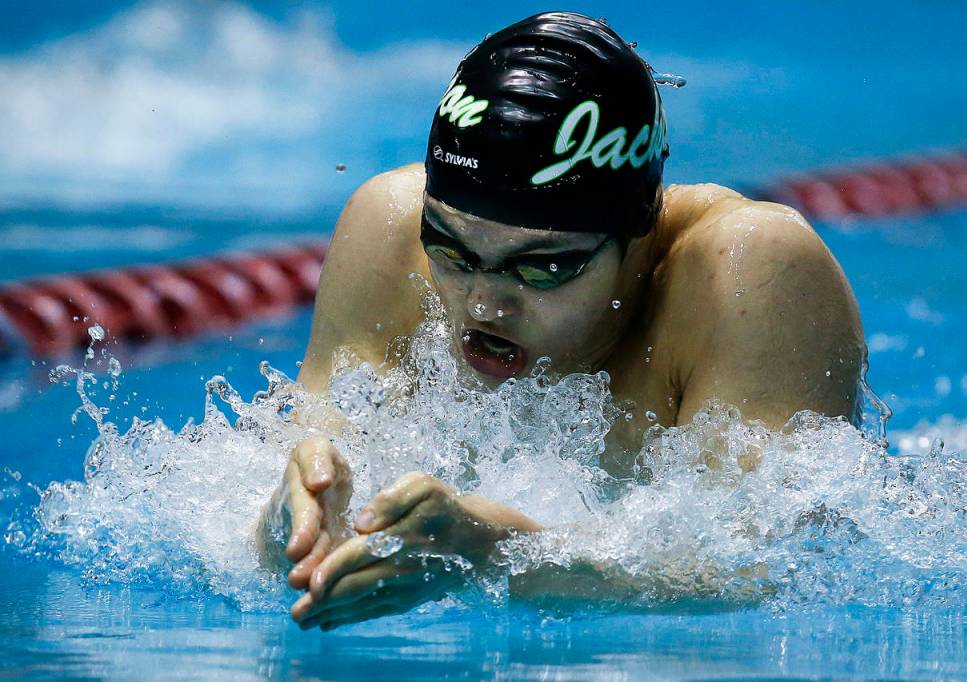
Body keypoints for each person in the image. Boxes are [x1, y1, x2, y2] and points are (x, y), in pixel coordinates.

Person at [255, 11, 864, 629]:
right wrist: (287, 522)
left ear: (641, 232)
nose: (484, 305)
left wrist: (493, 550)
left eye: (543, 268)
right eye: (451, 251)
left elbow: (770, 571)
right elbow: (295, 495)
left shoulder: (747, 272)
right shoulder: (390, 229)